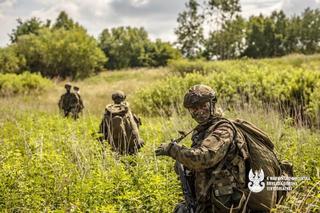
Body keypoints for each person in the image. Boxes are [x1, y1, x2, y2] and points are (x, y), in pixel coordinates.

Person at [155, 84, 282, 213]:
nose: (199, 112)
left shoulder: (223, 129)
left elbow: (205, 157)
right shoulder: (203, 131)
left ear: (212, 104)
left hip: (225, 204)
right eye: (194, 109)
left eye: (203, 106)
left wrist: (173, 150)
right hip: (207, 200)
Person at [99, 91, 144, 155]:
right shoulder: (127, 110)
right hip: (131, 144)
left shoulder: (108, 112)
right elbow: (136, 127)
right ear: (124, 98)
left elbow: (102, 131)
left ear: (113, 99)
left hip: (114, 145)